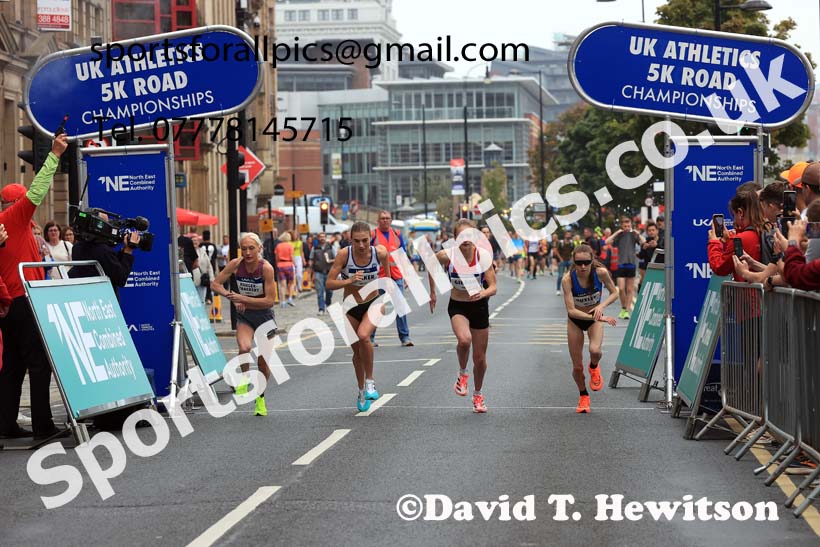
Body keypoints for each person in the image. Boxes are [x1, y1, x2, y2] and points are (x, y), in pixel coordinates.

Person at [0, 133, 68, 439]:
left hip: (10, 303)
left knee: (13, 366)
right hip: (22, 301)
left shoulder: (16, 225)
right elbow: (39, 188)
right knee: (40, 364)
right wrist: (54, 153)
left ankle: (5, 424)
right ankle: (43, 426)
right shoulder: (15, 216)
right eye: (24, 200)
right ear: (17, 202)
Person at [429, 219, 497, 413]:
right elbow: (431, 264)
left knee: (480, 359)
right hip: (458, 305)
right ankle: (462, 373)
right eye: (461, 236)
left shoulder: (482, 257)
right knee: (464, 340)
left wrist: (482, 293)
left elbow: (493, 287)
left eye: (469, 236)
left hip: (479, 307)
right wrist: (432, 293)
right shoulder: (447, 255)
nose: (465, 240)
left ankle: (478, 394)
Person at [210, 232, 277, 416]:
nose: (247, 253)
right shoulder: (235, 264)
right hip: (245, 316)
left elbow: (269, 301)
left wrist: (242, 297)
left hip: (264, 317)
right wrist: (231, 297)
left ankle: (260, 399)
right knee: (244, 348)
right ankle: (245, 378)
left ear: (259, 249)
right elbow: (215, 284)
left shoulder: (266, 269)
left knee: (263, 362)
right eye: (244, 248)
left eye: (251, 249)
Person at [326, 221, 390, 412]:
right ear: (350, 239)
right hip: (351, 306)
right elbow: (329, 283)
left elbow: (388, 275)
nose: (361, 245)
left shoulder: (380, 253)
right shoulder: (344, 255)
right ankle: (361, 390)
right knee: (357, 353)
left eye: (365, 240)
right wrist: (349, 280)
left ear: (371, 238)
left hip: (374, 302)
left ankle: (370, 382)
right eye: (356, 241)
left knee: (364, 336)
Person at [561, 244, 619, 413]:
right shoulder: (567, 279)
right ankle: (583, 396)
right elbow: (571, 310)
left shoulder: (600, 273)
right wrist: (596, 316)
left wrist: (601, 306)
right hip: (576, 320)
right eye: (579, 263)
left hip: (595, 319)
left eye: (587, 262)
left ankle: (594, 366)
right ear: (574, 262)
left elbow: (614, 293)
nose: (583, 266)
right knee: (577, 367)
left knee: (595, 351)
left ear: (592, 260)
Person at [69, 211, 142, 300]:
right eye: (106, 222)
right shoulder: (103, 251)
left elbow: (110, 266)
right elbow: (120, 278)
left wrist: (123, 250)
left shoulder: (77, 247)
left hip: (84, 298)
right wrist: (129, 250)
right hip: (104, 302)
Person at [370, 210, 413, 346]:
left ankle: (405, 337)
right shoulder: (373, 234)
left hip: (396, 275)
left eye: (387, 218)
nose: (385, 220)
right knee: (376, 307)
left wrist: (407, 276)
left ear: (391, 220)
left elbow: (402, 254)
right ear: (378, 220)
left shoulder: (397, 234)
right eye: (382, 218)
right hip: (380, 276)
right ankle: (370, 337)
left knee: (400, 306)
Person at [708, 190, 763, 281]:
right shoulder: (767, 230)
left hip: (747, 293)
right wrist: (730, 238)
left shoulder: (740, 239)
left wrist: (714, 242)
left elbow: (719, 267)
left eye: (734, 215)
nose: (734, 220)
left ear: (740, 213)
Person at [606, 218, 645, 319]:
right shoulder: (619, 235)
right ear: (622, 227)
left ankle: (626, 310)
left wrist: (637, 233)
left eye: (629, 226)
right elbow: (607, 241)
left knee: (629, 289)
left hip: (631, 264)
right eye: (625, 226)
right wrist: (616, 232)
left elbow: (644, 242)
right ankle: (623, 308)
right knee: (621, 289)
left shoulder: (633, 235)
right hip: (620, 264)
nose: (627, 228)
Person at [309, 232, 335, 315]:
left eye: (323, 237)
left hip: (329, 272)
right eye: (320, 237)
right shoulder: (315, 248)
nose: (322, 238)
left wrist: (331, 261)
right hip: (318, 272)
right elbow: (311, 259)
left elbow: (337, 259)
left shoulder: (331, 247)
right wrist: (310, 269)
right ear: (318, 238)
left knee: (329, 291)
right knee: (319, 291)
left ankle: (328, 305)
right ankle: (321, 308)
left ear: (326, 238)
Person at [275, 231, 296, 308]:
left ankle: (283, 301)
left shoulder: (278, 246)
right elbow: (291, 256)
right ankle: (290, 298)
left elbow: (276, 257)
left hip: (280, 265)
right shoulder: (290, 246)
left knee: (283, 285)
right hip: (289, 264)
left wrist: (277, 264)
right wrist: (295, 264)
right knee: (291, 283)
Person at [193, 235, 215, 305]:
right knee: (193, 301)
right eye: (193, 241)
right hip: (191, 280)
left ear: (199, 242)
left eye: (196, 241)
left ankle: (201, 315)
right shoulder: (187, 252)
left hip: (202, 280)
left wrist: (212, 278)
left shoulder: (203, 252)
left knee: (202, 301)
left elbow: (209, 266)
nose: (195, 242)